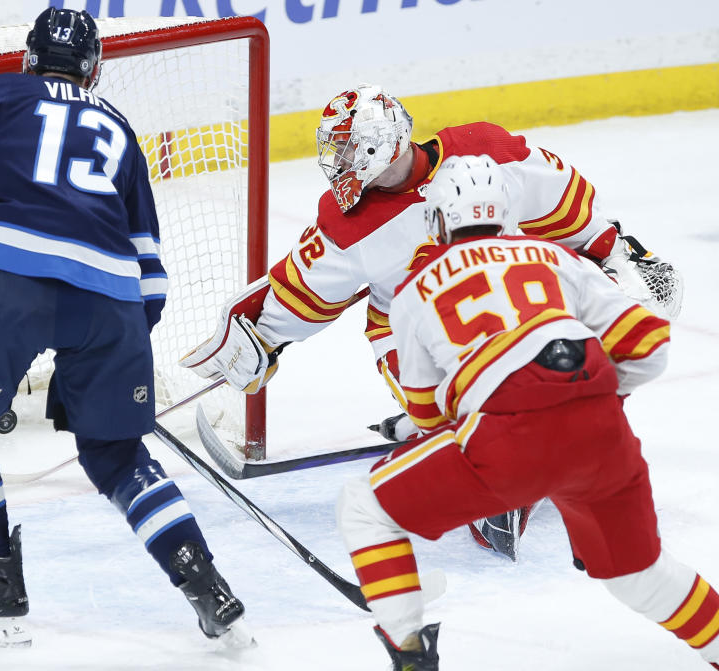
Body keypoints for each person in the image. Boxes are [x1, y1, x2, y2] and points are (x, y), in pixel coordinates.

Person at [0, 7, 250, 648]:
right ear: (94, 69)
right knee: (116, 453)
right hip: (112, 303)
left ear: (28, 57)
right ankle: (205, 584)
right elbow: (150, 271)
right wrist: (108, 355)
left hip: (11, 286)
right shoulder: (120, 128)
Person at [180, 83, 682, 560]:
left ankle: (550, 427)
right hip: (410, 324)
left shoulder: (487, 151)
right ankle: (489, 453)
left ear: (382, 146)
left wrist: (616, 254)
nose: (338, 166)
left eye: (347, 151)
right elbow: (303, 290)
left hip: (507, 301)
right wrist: (260, 335)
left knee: (586, 343)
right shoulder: (347, 221)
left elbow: (565, 207)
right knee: (465, 414)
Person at [335, 155, 717, 670]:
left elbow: (427, 415)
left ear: (438, 219)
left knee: (366, 506)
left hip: (506, 441)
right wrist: (582, 398)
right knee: (639, 575)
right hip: (603, 437)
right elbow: (649, 343)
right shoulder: (560, 258)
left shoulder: (413, 290)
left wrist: (500, 408)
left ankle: (408, 653)